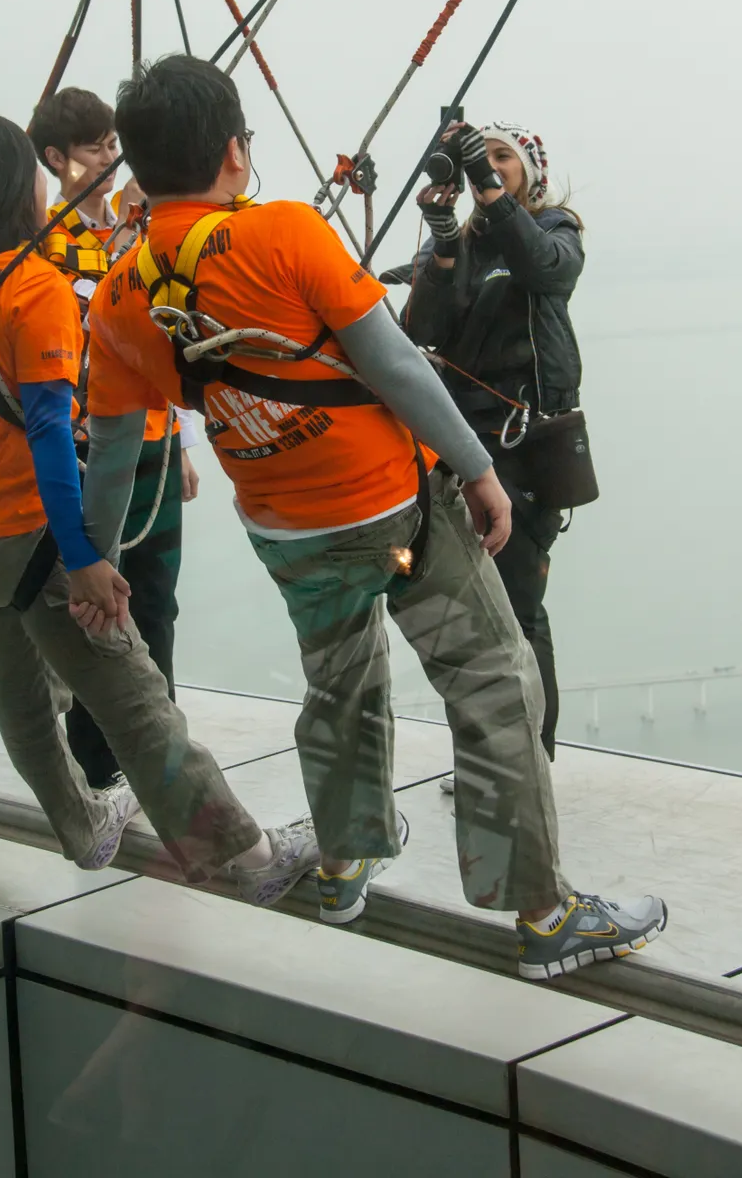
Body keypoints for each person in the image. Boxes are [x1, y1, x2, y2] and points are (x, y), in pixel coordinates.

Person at [81, 54, 667, 980]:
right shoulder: (284, 234)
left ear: (141, 168)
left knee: (340, 684)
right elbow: (395, 365)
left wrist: (96, 558)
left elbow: (114, 450)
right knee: (491, 679)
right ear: (236, 151)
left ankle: (345, 867)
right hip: (395, 514)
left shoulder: (119, 295)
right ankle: (544, 918)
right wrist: (479, 469)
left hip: (283, 529)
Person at [0, 108, 318, 899]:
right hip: (28, 539)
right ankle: (246, 858)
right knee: (136, 702)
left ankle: (79, 823)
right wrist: (87, 557)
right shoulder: (35, 290)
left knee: (19, 701)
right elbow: (54, 438)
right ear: (8, 185)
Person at [398, 121, 584, 767]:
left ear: (530, 171)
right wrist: (445, 245)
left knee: (518, 607)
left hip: (523, 441)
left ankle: (530, 754)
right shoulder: (467, 243)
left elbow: (543, 270)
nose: (492, 167)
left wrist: (484, 187)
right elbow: (422, 328)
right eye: (485, 157)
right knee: (468, 610)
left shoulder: (556, 230)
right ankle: (485, 752)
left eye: (504, 158)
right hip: (459, 440)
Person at [31, 87, 200, 788]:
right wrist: (129, 238)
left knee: (159, 598)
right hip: (85, 441)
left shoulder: (141, 226)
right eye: (96, 147)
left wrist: (185, 440)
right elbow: (87, 311)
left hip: (153, 433)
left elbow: (165, 330)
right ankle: (97, 760)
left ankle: (157, 741)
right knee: (100, 602)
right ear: (56, 159)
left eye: (112, 144)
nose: (110, 158)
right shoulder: (45, 238)